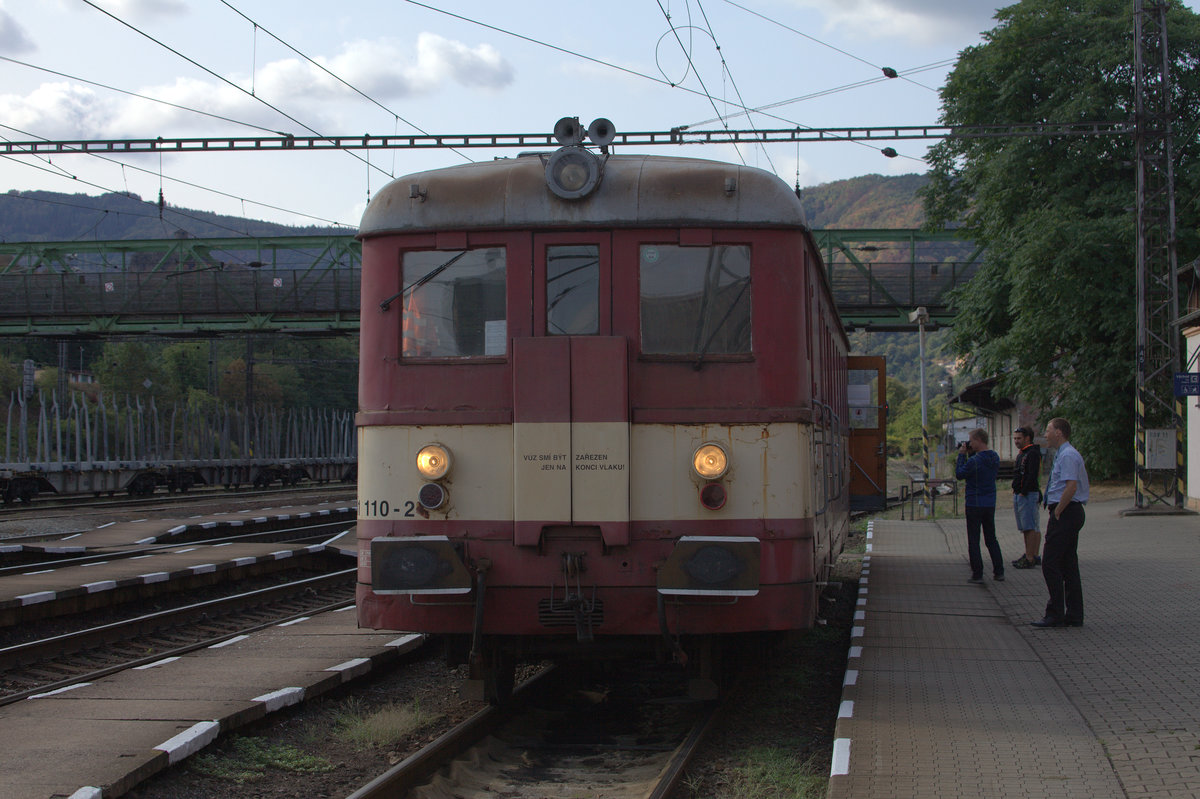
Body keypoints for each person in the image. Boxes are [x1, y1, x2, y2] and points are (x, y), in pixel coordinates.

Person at [1031, 417, 1089, 628]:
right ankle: (1074, 614)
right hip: (1068, 512)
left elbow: (1071, 487)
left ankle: (1055, 612)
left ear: (1059, 433)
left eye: (1048, 430)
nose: (1045, 434)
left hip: (1066, 512)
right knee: (1068, 564)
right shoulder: (1063, 455)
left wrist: (1058, 512)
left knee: (1050, 563)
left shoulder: (1068, 456)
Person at [956, 427, 1003, 583]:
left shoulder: (974, 461)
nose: (970, 443)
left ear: (978, 440)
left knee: (974, 540)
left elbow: (960, 474)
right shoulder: (994, 458)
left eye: (971, 440)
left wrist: (962, 456)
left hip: (974, 503)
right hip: (990, 503)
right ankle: (999, 571)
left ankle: (978, 574)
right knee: (991, 538)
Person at [1010, 426, 1043, 569]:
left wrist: (1023, 490)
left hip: (1027, 494)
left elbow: (1031, 474)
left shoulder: (1032, 453)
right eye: (1015, 438)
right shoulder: (1022, 453)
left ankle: (1030, 557)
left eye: (1019, 438)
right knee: (1026, 527)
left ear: (1027, 438)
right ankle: (1031, 554)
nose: (1016, 441)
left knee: (1030, 527)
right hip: (1020, 494)